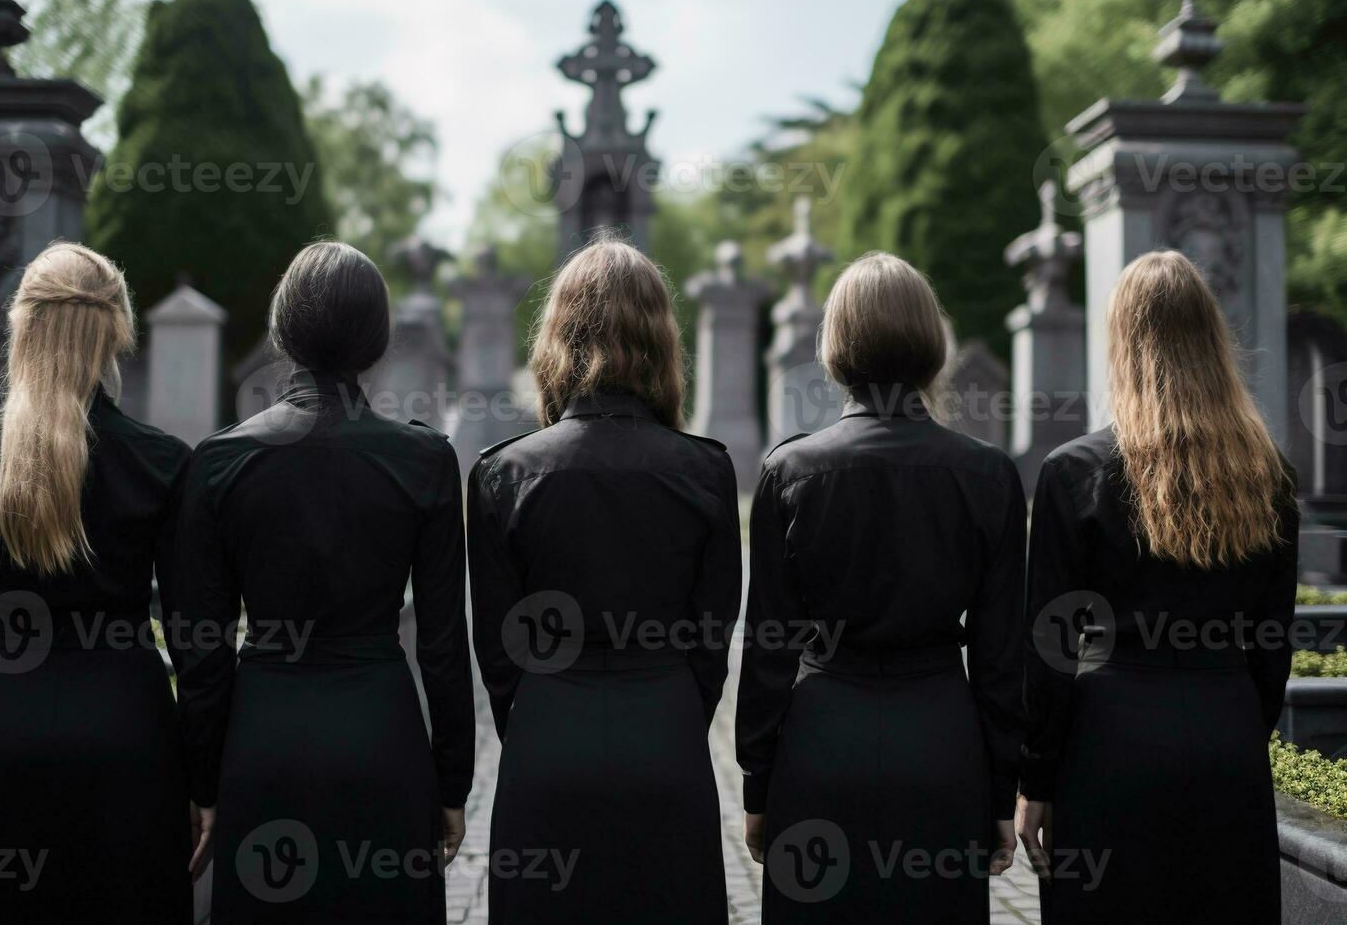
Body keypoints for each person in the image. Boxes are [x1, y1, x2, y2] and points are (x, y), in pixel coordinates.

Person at [173, 241, 474, 923]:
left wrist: (204, 779)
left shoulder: (219, 463)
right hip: (382, 736)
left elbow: (202, 646)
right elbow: (444, 641)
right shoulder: (424, 460)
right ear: (377, 340)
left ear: (282, 333)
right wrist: (452, 781)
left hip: (262, 738)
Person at [736, 251, 1025, 922]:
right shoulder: (987, 475)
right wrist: (1003, 785)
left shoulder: (790, 471)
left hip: (820, 747)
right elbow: (1001, 650)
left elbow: (767, 647)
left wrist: (757, 784)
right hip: (941, 745)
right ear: (931, 345)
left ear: (837, 348)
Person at [1016, 250, 1298, 923]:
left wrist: (1035, 779)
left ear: (1121, 343)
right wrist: (1236, 721)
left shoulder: (1073, 472)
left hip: (1110, 743)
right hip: (1228, 730)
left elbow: (1051, 647)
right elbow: (1274, 640)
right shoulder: (1270, 474)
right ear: (1211, 341)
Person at [468, 236, 740, 924]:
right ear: (659, 341)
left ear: (558, 338)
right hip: (668, 735)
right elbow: (713, 636)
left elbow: (498, 650)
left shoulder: (505, 472)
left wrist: (536, 720)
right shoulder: (705, 471)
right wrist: (672, 707)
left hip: (546, 739)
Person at [0, 242, 192, 924]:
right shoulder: (163, 463)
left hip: (8, 725)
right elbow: (197, 638)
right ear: (117, 332)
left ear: (23, 324)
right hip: (129, 729)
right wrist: (204, 774)